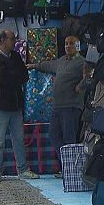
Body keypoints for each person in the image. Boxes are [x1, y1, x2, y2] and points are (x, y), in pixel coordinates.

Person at [27, 35, 88, 176]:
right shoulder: (61, 61)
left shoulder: (81, 62)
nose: (68, 46)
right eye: (66, 43)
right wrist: (33, 65)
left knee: (69, 139)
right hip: (57, 107)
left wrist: (80, 86)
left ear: (78, 46)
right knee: (54, 136)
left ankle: (71, 170)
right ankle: (66, 165)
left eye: (71, 44)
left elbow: (89, 77)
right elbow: (47, 65)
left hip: (71, 107)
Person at [0, 30, 41, 182]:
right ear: (3, 40)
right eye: (12, 39)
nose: (14, 42)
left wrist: (14, 76)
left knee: (18, 138)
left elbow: (24, 75)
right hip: (0, 106)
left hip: (15, 105)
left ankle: (22, 169)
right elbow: (2, 77)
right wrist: (15, 75)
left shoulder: (16, 56)